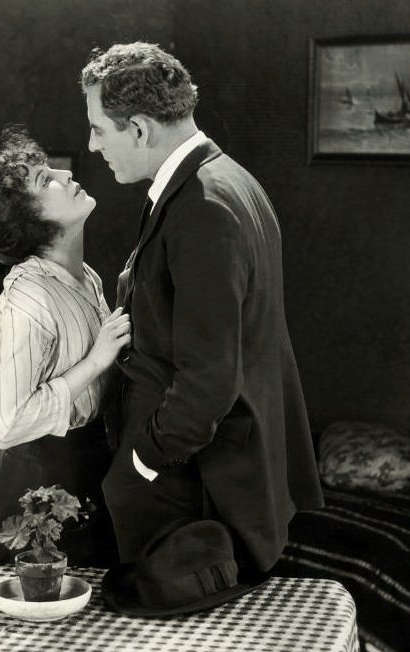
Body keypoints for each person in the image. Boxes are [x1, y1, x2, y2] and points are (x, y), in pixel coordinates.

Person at [81, 42, 324, 578]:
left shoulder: (203, 207)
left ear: (139, 129)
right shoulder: (224, 179)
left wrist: (142, 462)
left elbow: (210, 378)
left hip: (197, 484)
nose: (92, 145)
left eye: (98, 130)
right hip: (201, 470)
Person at [0, 126, 130, 566]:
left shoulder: (85, 276)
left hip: (84, 463)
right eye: (45, 179)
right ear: (31, 222)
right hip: (37, 478)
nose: (64, 174)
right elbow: (8, 424)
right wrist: (96, 361)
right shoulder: (28, 298)